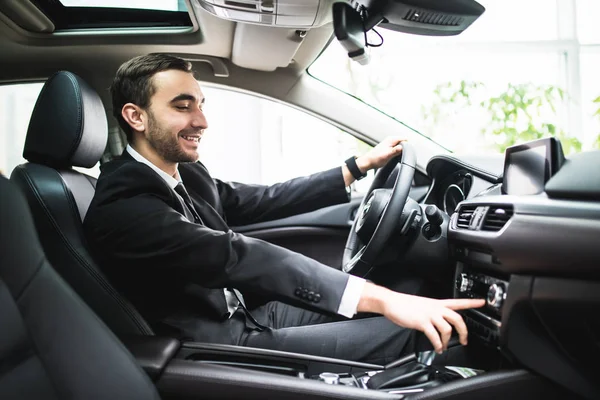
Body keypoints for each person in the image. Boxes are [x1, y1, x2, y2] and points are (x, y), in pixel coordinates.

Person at [84, 53, 484, 364]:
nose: (202, 120)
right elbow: (236, 255)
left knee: (410, 291)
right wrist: (379, 299)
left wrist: (356, 167)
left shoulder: (183, 174)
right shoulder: (125, 204)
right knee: (429, 332)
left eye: (201, 104)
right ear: (136, 116)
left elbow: (261, 199)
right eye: (183, 106)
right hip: (221, 346)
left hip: (250, 315)